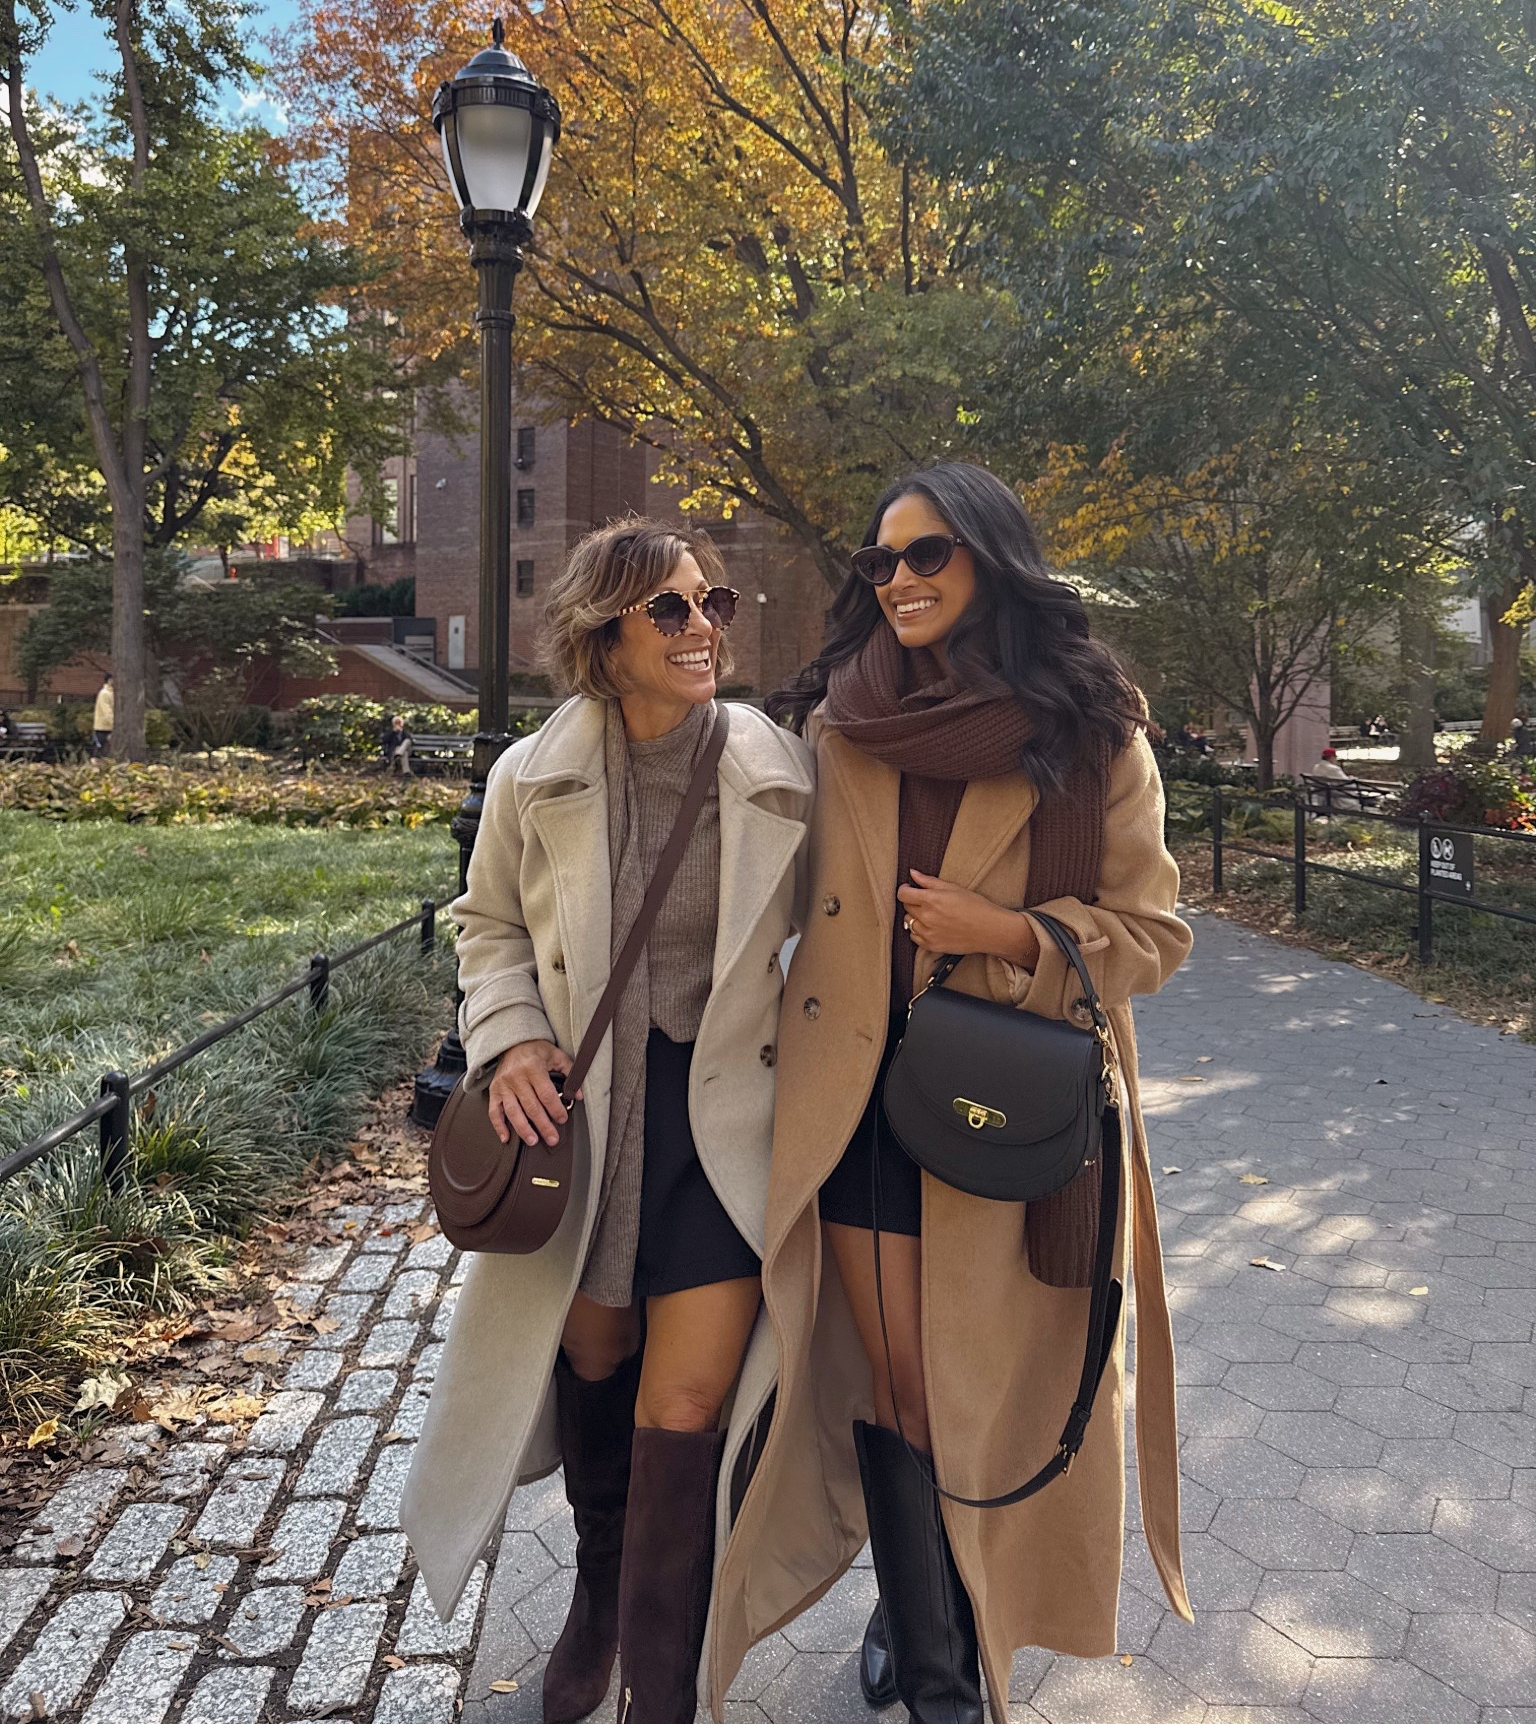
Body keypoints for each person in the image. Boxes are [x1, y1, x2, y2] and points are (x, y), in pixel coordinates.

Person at [707, 462, 1194, 1724]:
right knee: (904, 1383)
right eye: (882, 562)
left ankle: (960, 1608)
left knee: (986, 1389)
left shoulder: (1092, 730)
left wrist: (1015, 929)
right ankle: (937, 1664)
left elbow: (1155, 932)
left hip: (1008, 1110)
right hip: (860, 1105)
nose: (903, 580)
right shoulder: (835, 719)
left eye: (930, 555)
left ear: (992, 559)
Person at [402, 519, 815, 1724]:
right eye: (672, 610)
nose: (704, 629)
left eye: (712, 602)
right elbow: (486, 927)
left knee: (684, 1401)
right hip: (587, 1126)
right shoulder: (532, 775)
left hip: (725, 1123)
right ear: (605, 637)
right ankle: (599, 1586)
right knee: (592, 1350)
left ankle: (663, 1674)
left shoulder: (777, 765)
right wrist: (514, 1032)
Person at [92, 674, 113, 757]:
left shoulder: (113, 693)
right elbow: (107, 711)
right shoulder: (104, 693)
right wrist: (114, 723)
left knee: (106, 749)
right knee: (99, 748)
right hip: (102, 726)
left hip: (109, 726)